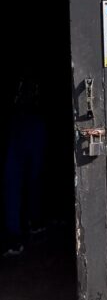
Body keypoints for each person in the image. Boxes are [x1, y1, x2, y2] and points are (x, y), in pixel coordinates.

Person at [2, 73, 47, 257]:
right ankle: (28, 226)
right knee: (24, 180)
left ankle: (29, 225)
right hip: (24, 129)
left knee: (25, 180)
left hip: (26, 128)